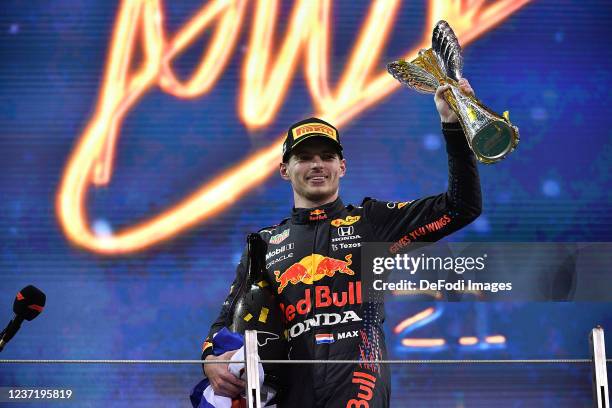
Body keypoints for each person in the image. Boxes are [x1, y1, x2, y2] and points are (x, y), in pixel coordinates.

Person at [201, 79, 482, 407]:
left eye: (327, 156)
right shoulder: (264, 244)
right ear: (284, 170)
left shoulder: (372, 221)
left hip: (358, 384)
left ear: (342, 166)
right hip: (292, 392)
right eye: (304, 157)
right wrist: (210, 360)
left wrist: (454, 127)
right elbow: (229, 319)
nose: (317, 164)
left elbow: (460, 207)